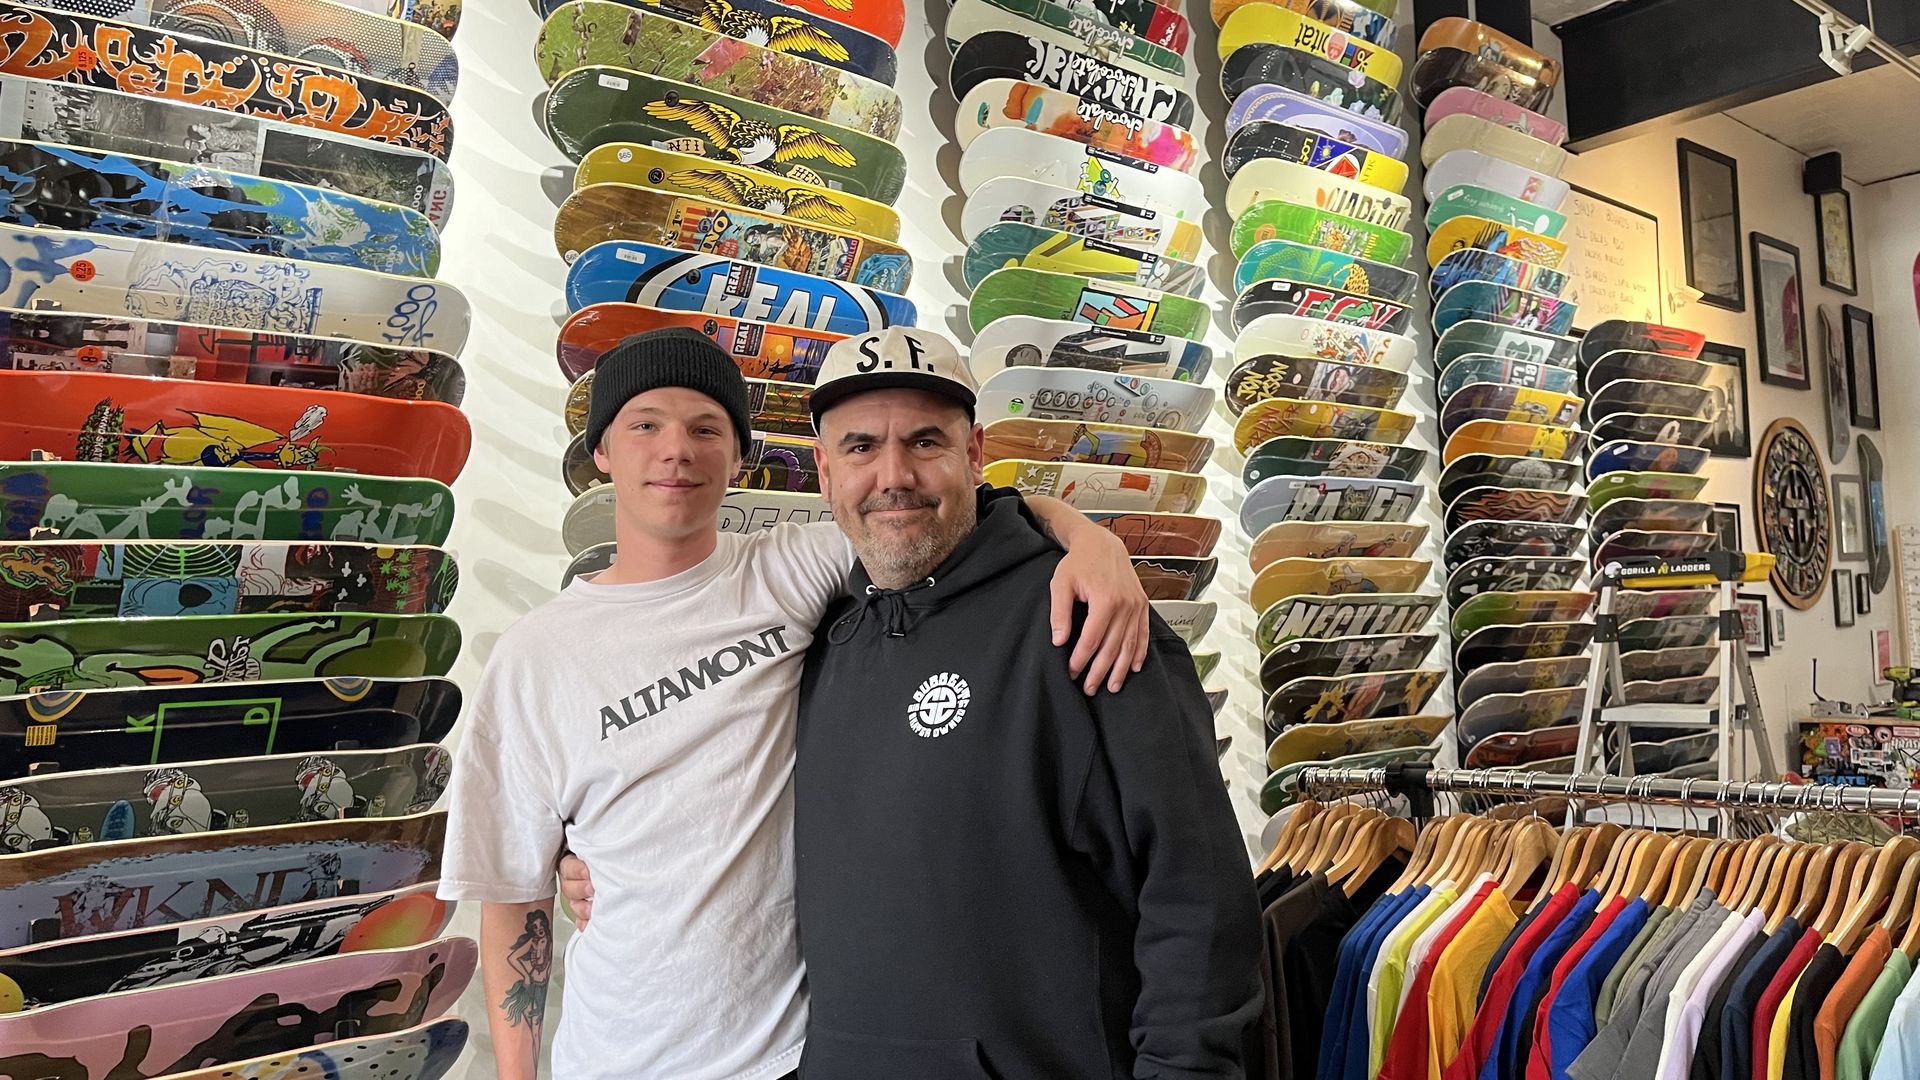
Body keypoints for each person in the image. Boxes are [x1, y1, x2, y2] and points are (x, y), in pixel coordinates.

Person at [438, 326, 1152, 1080]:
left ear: (739, 454)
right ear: (603, 452)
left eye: (706, 428)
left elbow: (932, 506)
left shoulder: (792, 569)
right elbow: (513, 894)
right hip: (616, 1056)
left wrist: (1092, 543)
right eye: (644, 425)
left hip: (795, 1055)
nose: (676, 449)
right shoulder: (533, 658)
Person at [788, 327, 1262, 1078]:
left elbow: (1196, 897)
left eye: (924, 442)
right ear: (823, 469)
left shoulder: (1086, 620)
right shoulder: (817, 638)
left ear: (974, 454)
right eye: (859, 448)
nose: (893, 475)